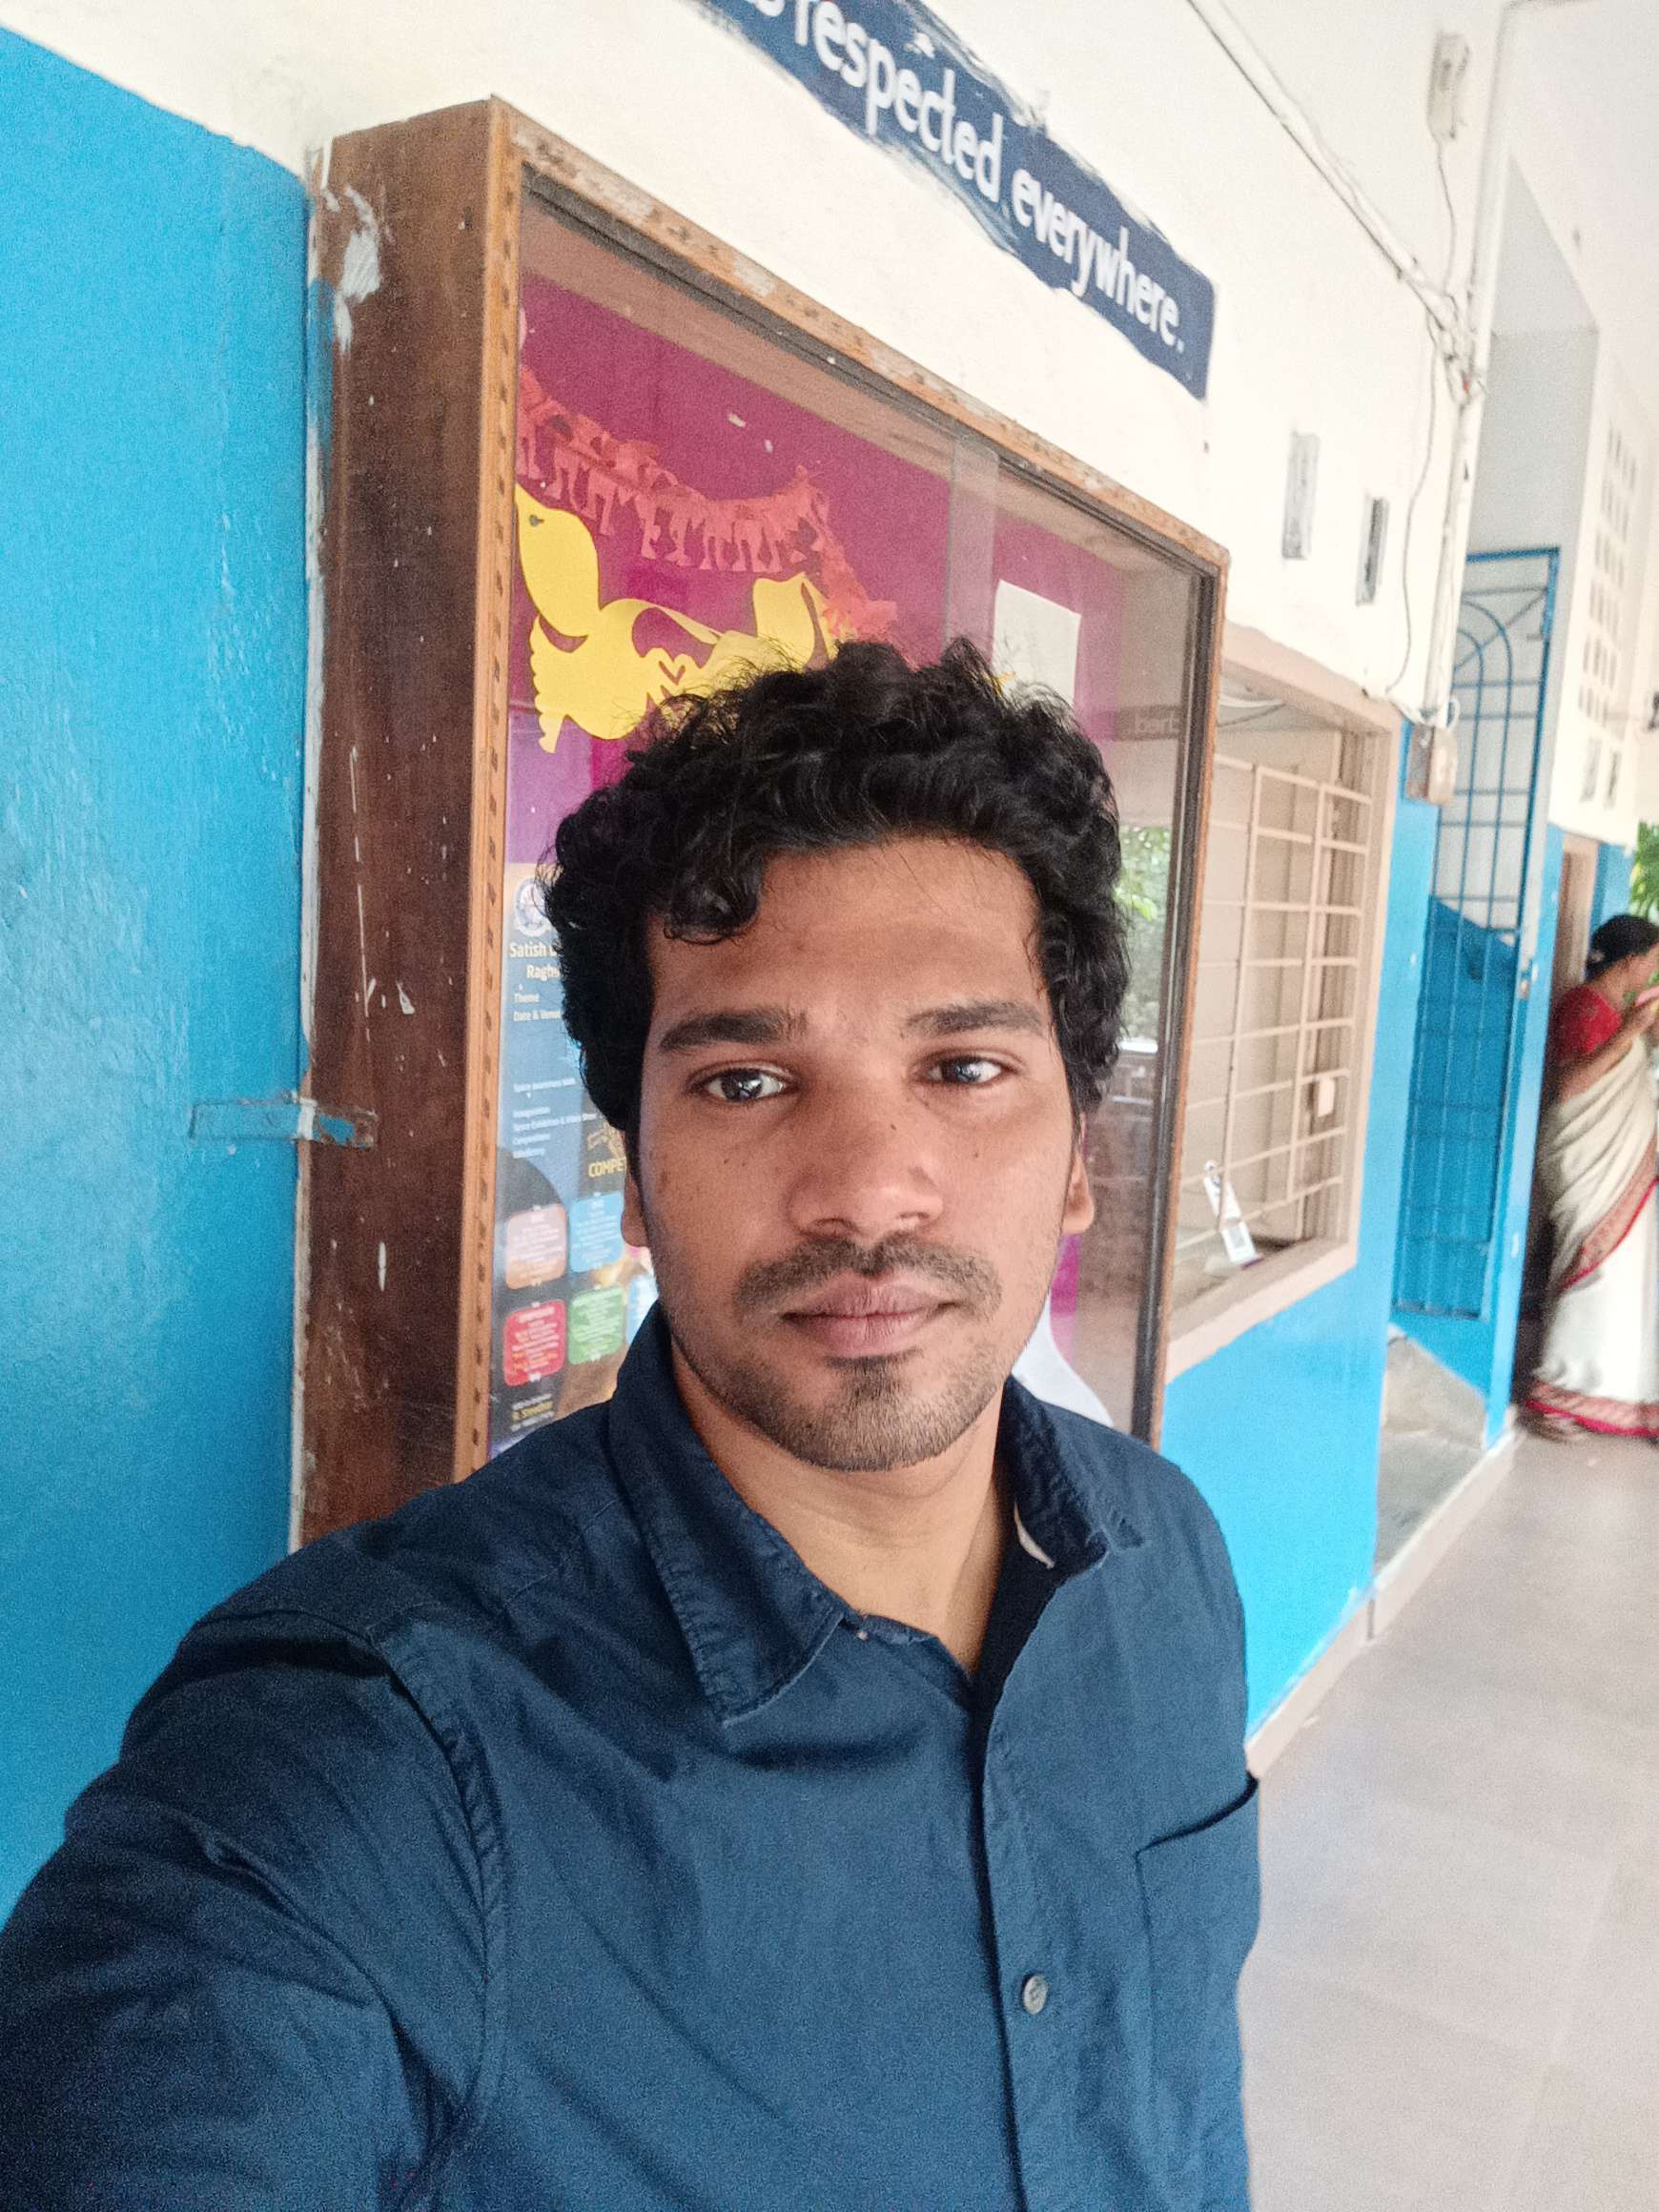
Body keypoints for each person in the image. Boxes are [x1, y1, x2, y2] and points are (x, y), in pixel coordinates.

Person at [0, 641, 1258, 2210]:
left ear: (1078, 1158)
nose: (869, 1188)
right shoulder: (371, 1768)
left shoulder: (1166, 1563)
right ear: (639, 1178)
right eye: (745, 1082)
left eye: (964, 1066)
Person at [1524, 911, 1659, 1441]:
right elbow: (1572, 1085)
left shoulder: (1625, 1010)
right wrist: (1630, 1033)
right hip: (1588, 1160)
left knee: (1622, 1277)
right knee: (1592, 1266)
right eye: (1651, 963)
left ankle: (1608, 1390)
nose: (1651, 973)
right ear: (1630, 961)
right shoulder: (1583, 1007)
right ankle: (1554, 1392)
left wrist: (1642, 1034)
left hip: (1622, 1163)